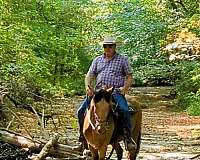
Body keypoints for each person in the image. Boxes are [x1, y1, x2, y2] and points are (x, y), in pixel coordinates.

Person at [77, 36, 137, 151]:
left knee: (124, 110)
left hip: (115, 92)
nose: (108, 48)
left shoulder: (122, 59)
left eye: (110, 46)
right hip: (99, 92)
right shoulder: (97, 60)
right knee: (80, 111)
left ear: (115, 47)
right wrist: (88, 87)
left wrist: (124, 89)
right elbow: (89, 75)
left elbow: (129, 77)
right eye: (105, 46)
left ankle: (128, 138)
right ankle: (82, 138)